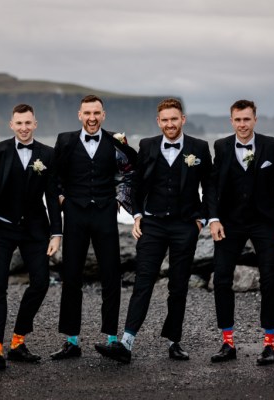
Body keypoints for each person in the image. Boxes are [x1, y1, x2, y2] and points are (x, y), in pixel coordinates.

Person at [96, 98, 212, 363]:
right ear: (158, 122)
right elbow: (136, 184)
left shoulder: (199, 148)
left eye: (174, 119)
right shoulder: (147, 146)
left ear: (182, 119)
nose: (170, 124)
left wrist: (202, 219)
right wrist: (136, 215)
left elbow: (211, 185)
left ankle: (174, 342)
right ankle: (126, 343)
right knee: (143, 282)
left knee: (178, 285)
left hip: (185, 225)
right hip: (153, 224)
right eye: (165, 120)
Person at [0, 104, 62, 370]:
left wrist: (56, 233)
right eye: (19, 123)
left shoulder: (48, 154)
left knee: (41, 282)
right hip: (1, 228)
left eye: (28, 123)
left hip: (35, 230)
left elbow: (52, 197)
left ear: (36, 124)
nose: (23, 128)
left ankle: (18, 341)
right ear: (11, 125)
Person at [50, 95, 136, 360]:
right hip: (74, 214)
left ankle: (111, 338)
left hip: (105, 214)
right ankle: (71, 341)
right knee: (71, 277)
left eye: (96, 113)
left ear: (103, 114)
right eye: (87, 113)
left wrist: (121, 197)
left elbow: (131, 170)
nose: (92, 118)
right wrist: (62, 197)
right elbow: (54, 175)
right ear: (79, 114)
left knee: (111, 275)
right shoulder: (65, 140)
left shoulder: (116, 141)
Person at [207, 99, 274, 365]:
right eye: (238, 120)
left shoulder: (272, 145)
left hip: (266, 222)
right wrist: (213, 218)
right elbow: (211, 186)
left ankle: (269, 344)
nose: (242, 124)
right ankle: (227, 342)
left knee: (269, 280)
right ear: (231, 121)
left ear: (255, 120)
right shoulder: (221, 147)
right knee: (221, 279)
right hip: (230, 222)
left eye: (247, 119)